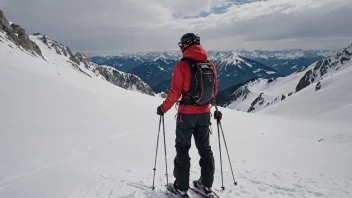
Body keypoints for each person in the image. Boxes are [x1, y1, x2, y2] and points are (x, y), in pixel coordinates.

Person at [157, 33, 222, 198]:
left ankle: (181, 187)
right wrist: (214, 108)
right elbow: (213, 91)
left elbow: (175, 92)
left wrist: (163, 108)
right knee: (205, 149)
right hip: (205, 113)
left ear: (185, 45)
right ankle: (206, 186)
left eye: (181, 45)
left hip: (186, 115)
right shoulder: (210, 65)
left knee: (183, 149)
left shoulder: (182, 66)